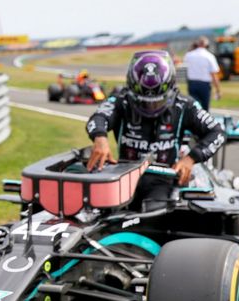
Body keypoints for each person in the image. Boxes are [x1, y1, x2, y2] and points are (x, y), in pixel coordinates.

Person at [85, 50, 225, 208]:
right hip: (124, 178)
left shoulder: (185, 105)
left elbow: (217, 132)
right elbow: (98, 117)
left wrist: (191, 159)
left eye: (157, 102)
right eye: (144, 102)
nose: (151, 107)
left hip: (163, 181)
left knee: (153, 215)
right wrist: (100, 137)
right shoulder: (120, 101)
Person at [183, 36, 221, 110]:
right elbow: (214, 75)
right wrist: (218, 90)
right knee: (205, 109)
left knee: (193, 108)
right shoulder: (209, 56)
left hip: (192, 84)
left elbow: (184, 62)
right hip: (204, 85)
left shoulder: (189, 55)